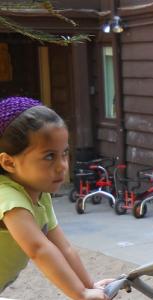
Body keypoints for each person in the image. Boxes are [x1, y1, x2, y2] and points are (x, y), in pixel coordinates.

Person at [0, 97, 112, 299]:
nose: (62, 165)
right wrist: (80, 294)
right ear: (8, 162)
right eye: (49, 156)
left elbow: (64, 249)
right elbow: (38, 249)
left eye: (65, 153)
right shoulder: (7, 198)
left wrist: (89, 287)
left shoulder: (40, 195)